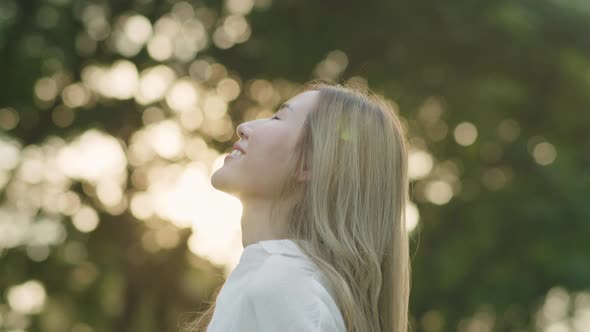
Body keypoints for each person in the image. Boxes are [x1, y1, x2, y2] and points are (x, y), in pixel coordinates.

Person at [184, 80, 411, 332]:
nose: (243, 127)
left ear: (310, 163)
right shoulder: (281, 282)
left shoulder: (283, 285)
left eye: (278, 118)